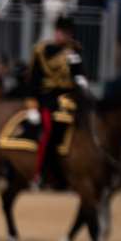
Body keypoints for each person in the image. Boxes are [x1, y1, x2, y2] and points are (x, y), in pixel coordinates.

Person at [25, 14, 87, 189]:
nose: (62, 36)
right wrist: (32, 104)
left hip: (69, 97)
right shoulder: (41, 50)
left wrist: (82, 81)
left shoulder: (74, 52)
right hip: (48, 98)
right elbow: (33, 80)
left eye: (66, 33)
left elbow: (79, 74)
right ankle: (40, 172)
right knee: (48, 129)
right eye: (60, 32)